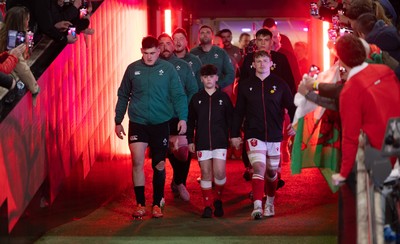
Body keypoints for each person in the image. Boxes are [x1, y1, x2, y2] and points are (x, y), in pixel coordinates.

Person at [114, 36, 188, 219]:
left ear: (158, 52)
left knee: (159, 164)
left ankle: (157, 202)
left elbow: (179, 94)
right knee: (137, 161)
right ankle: (140, 204)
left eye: (153, 53)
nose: (149, 57)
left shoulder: (168, 69)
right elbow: (123, 95)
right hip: (138, 122)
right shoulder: (133, 69)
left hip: (161, 122)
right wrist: (118, 120)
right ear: (141, 52)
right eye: (146, 53)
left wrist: (183, 118)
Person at [231, 50, 296, 219]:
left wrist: (295, 124)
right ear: (253, 64)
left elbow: (293, 106)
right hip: (253, 134)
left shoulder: (280, 84)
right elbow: (238, 111)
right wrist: (235, 134)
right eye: (258, 61)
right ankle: (257, 206)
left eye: (265, 61)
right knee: (258, 168)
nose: (261, 64)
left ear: (271, 64)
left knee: (272, 172)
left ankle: (270, 202)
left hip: (275, 135)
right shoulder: (245, 86)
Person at [331, 34, 400, 184]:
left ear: (341, 59)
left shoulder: (350, 90)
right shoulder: (384, 70)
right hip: (396, 139)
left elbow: (350, 136)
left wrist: (343, 174)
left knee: (383, 199)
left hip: (380, 153)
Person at [187, 64, 233, 218]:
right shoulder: (196, 98)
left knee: (219, 172)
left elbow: (231, 120)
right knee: (205, 172)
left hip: (220, 141)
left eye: (211, 76)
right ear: (201, 79)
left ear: (216, 78)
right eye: (205, 77)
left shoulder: (224, 98)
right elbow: (191, 120)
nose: (209, 80)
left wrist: (233, 136)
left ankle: (218, 200)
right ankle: (207, 206)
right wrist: (190, 140)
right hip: (202, 142)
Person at [158, 33, 198, 202]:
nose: (165, 46)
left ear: (173, 46)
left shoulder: (183, 65)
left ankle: (179, 181)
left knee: (182, 151)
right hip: (158, 117)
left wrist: (184, 111)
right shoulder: (151, 65)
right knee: (165, 151)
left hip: (179, 116)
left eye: (169, 43)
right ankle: (161, 193)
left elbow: (193, 90)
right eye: (162, 44)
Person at [0, 6, 40, 98]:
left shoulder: (2, 27)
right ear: (23, 23)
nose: (28, 23)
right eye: (27, 20)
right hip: (6, 83)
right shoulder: (15, 42)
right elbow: (22, 69)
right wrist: (35, 88)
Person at [190, 25, 235, 97]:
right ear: (198, 36)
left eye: (208, 32)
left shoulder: (221, 52)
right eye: (202, 33)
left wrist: (219, 85)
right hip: (197, 94)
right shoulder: (192, 53)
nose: (205, 35)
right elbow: (188, 75)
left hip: (217, 93)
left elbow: (231, 73)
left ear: (212, 36)